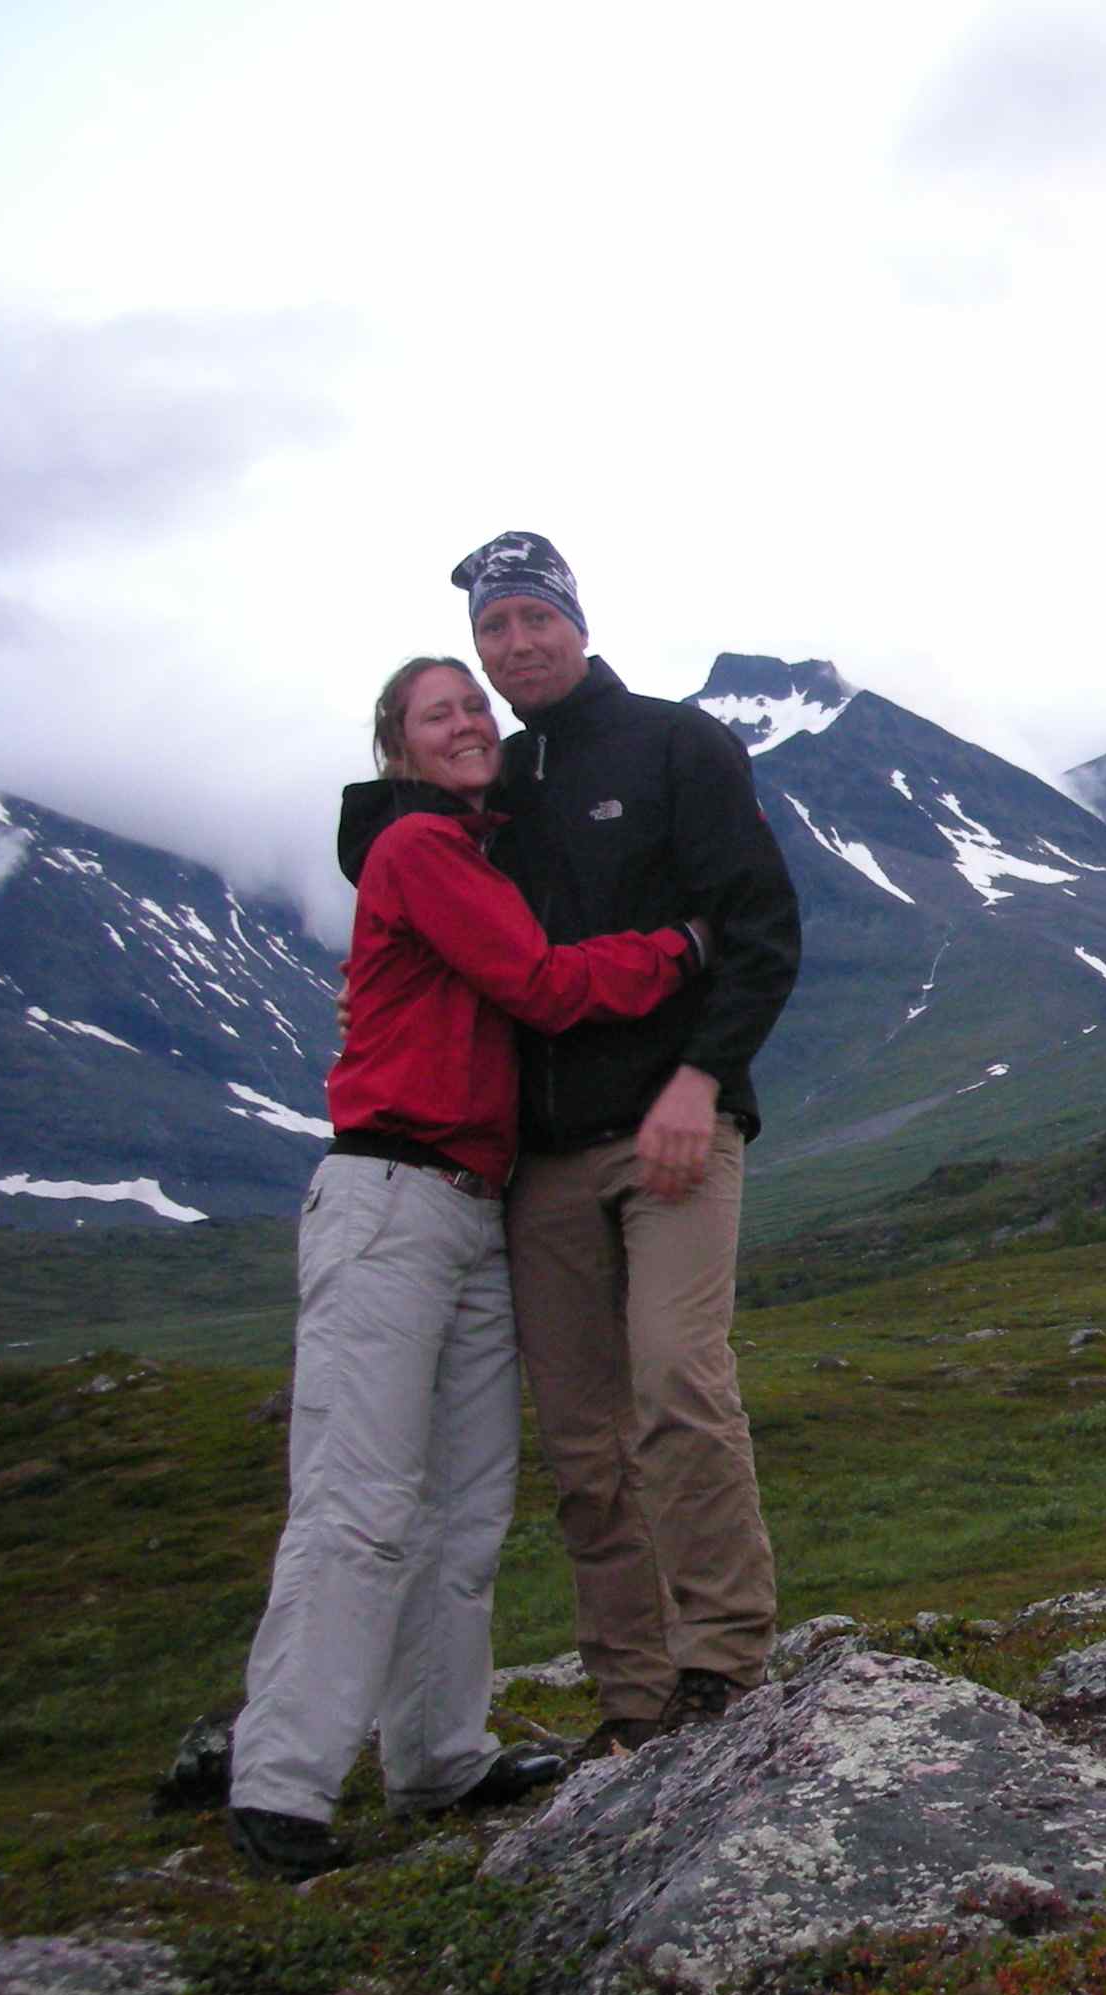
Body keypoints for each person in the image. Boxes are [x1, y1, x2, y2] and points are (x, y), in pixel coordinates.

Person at [228, 658, 712, 1881]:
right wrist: (680, 947)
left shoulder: (472, 851)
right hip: (390, 1196)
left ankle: (437, 1757)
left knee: (461, 1504)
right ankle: (281, 1789)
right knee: (359, 1501)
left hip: (468, 1202)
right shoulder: (420, 852)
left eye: (475, 707)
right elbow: (542, 990)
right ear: (396, 746)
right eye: (440, 712)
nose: (469, 722)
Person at [451, 531, 802, 1759]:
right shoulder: (492, 787)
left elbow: (761, 927)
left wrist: (703, 1078)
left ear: (577, 623)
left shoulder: (674, 744)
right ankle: (634, 1697)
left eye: (533, 619)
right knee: (585, 1442)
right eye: (494, 629)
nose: (515, 646)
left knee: (677, 1381)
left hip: (676, 1128)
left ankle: (723, 1664)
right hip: (541, 1157)